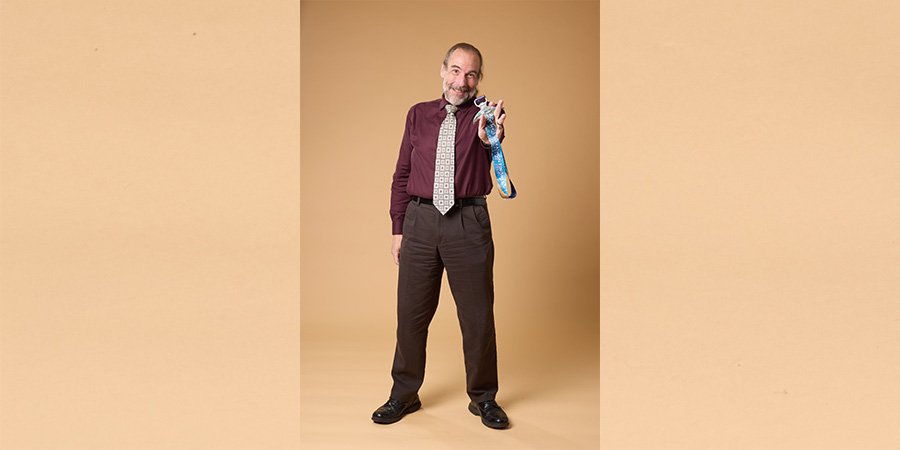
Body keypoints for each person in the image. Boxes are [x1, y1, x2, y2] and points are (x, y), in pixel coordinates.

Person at [371, 42, 510, 430]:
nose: (461, 81)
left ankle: (484, 398)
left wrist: (492, 137)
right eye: (455, 70)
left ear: (478, 79)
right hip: (419, 222)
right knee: (411, 315)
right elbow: (401, 174)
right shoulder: (417, 115)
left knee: (478, 316)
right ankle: (403, 394)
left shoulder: (483, 119)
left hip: (468, 222)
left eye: (470, 74)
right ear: (443, 70)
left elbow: (488, 147)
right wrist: (398, 228)